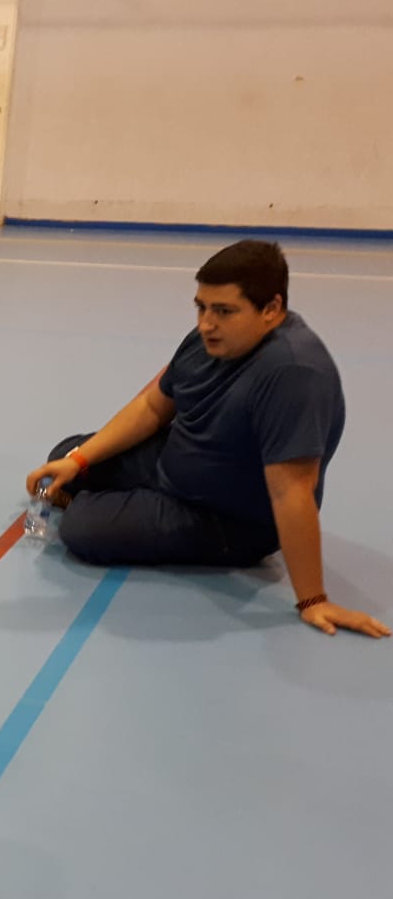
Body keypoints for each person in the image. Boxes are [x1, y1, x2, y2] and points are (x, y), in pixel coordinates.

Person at [25, 239, 388, 639]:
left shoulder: (293, 374)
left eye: (224, 311)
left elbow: (292, 492)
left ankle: (116, 508)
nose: (206, 324)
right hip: (173, 461)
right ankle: (111, 496)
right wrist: (78, 461)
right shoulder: (208, 339)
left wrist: (312, 599)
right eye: (201, 307)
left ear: (271, 309)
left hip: (225, 517)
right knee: (65, 454)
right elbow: (152, 407)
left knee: (82, 529)